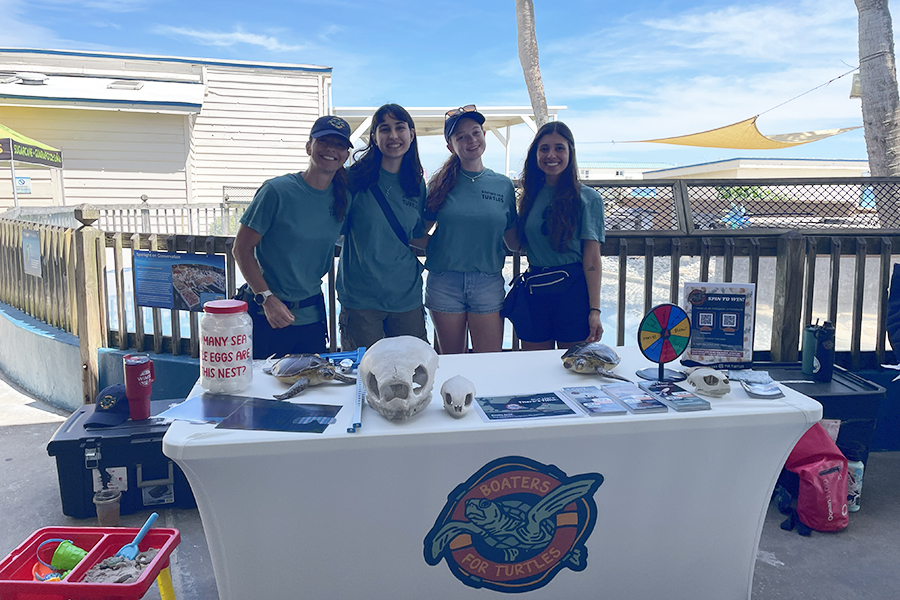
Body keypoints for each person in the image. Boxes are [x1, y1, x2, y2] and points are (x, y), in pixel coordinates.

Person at [233, 115, 353, 359]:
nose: (331, 149)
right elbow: (241, 249)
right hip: (267, 315)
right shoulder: (276, 191)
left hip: (311, 318)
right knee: (262, 394)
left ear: (346, 155)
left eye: (339, 144)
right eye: (324, 141)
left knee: (311, 392)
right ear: (309, 147)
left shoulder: (343, 199)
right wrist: (266, 299)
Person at [423, 105, 517, 354]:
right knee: (452, 362)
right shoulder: (439, 184)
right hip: (445, 282)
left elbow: (514, 239)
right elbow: (419, 232)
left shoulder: (503, 185)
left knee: (489, 360)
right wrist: (440, 248)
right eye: (461, 137)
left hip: (487, 282)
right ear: (451, 147)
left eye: (475, 132)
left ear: (484, 136)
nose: (471, 140)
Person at [337, 104, 428, 351]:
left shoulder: (416, 184)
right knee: (367, 378)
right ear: (375, 138)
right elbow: (333, 230)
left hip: (406, 298)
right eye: (384, 129)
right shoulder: (353, 179)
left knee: (414, 374)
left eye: (400, 128)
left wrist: (459, 244)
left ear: (411, 133)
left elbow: (417, 235)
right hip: (361, 299)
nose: (393, 136)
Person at [516, 121, 605, 350]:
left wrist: (594, 310)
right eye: (544, 148)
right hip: (536, 291)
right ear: (535, 153)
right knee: (534, 367)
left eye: (559, 148)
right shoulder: (529, 197)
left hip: (572, 293)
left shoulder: (588, 198)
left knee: (573, 369)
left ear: (570, 152)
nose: (551, 155)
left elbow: (593, 259)